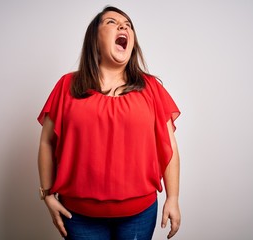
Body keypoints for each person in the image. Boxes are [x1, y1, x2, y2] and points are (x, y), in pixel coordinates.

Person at [37, 6, 181, 240]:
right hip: (78, 215)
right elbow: (46, 143)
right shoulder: (67, 86)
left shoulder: (151, 88)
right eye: (111, 22)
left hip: (140, 214)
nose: (123, 26)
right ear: (94, 39)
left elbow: (170, 147)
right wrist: (47, 195)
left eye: (128, 24)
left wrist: (173, 198)